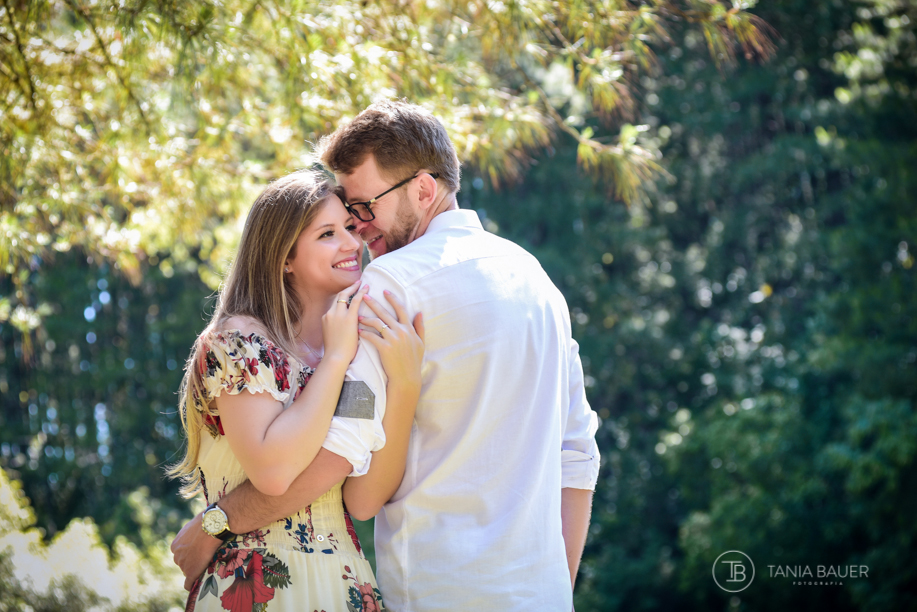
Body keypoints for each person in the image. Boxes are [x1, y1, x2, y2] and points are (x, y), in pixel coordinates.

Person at [172, 101, 601, 611]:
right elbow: (577, 457)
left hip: (434, 592)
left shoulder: (391, 285)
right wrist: (554, 591)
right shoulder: (540, 284)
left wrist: (213, 526)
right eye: (342, 218)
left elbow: (345, 456)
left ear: (423, 189)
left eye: (362, 209)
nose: (360, 229)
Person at [167, 170, 424, 612]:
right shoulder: (241, 341)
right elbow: (274, 471)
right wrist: (337, 360)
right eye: (327, 234)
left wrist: (404, 385)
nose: (351, 243)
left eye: (349, 227)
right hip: (256, 584)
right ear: (284, 257)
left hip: (345, 582)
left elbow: (364, 501)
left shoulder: (357, 351)